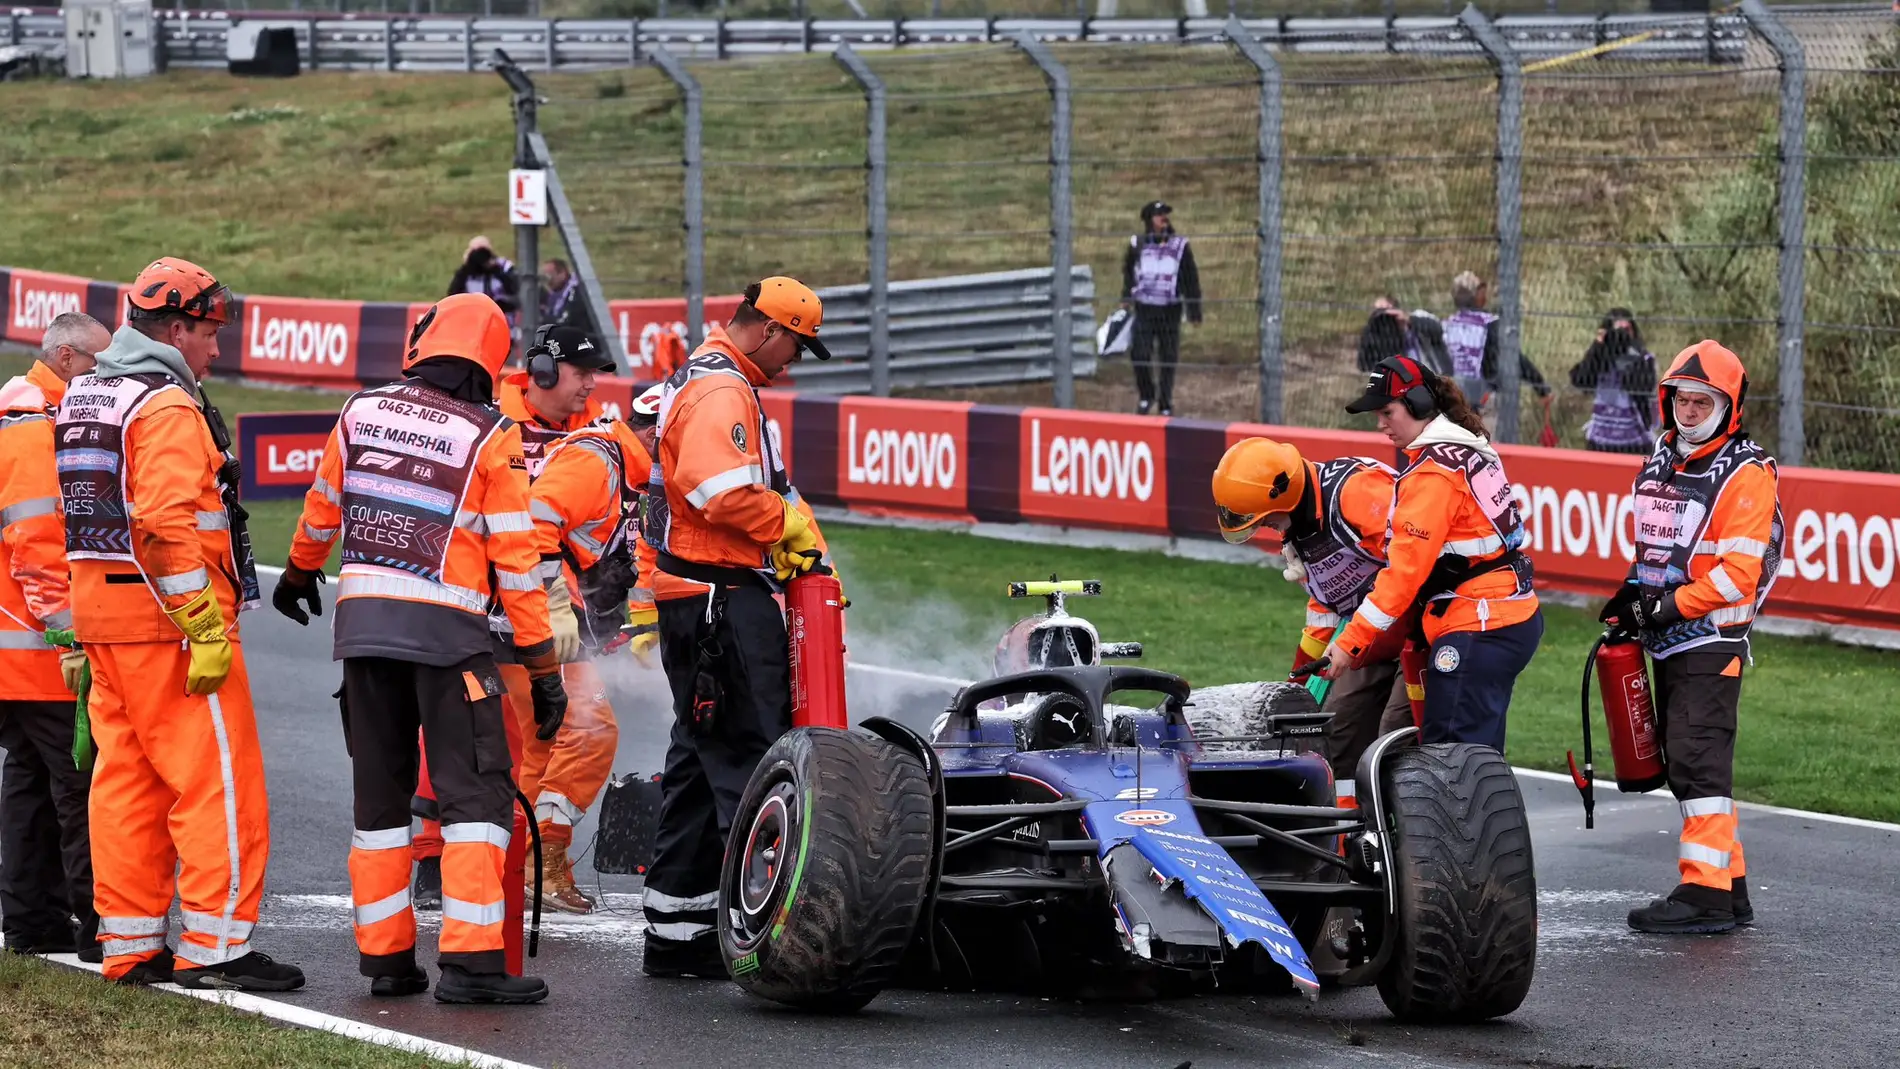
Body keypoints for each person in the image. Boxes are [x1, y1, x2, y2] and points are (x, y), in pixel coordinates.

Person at [272, 292, 566, 1004]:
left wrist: (301, 570)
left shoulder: (360, 412)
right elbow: (519, 564)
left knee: (380, 801)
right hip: (449, 644)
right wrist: (543, 664)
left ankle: (388, 962)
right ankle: (470, 966)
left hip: (364, 637)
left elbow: (322, 503)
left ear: (421, 345)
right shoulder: (490, 435)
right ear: (489, 363)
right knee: (474, 799)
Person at [54, 258, 302, 990]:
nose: (216, 349)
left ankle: (129, 943)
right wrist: (203, 624)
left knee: (125, 781)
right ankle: (217, 944)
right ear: (176, 328)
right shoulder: (163, 406)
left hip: (104, 618)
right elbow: (164, 523)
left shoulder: (86, 394)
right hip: (167, 623)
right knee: (216, 783)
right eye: (208, 333)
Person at [641, 277, 832, 978]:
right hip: (719, 596)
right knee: (758, 760)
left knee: (699, 759)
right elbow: (714, 488)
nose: (795, 363)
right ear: (770, 330)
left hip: (697, 593)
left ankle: (675, 931)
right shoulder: (724, 389)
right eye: (797, 347)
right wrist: (784, 526)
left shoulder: (710, 375)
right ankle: (768, 938)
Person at [1601, 340, 1782, 935]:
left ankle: (1703, 894)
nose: (1688, 411)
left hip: (1710, 637)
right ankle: (1729, 889)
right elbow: (1655, 549)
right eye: (1681, 399)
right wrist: (1634, 596)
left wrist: (1667, 605)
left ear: (1728, 408)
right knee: (1689, 760)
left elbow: (1738, 575)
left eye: (1703, 403)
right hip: (1670, 634)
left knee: (1696, 761)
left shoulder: (1747, 472)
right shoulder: (1660, 456)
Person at [1322, 356, 1543, 753]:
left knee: (1449, 767)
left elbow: (1403, 575)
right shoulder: (1464, 450)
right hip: (1503, 619)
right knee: (1478, 763)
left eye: (1387, 412)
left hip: (1479, 625)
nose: (1380, 424)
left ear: (1421, 404)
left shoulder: (1432, 474)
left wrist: (1349, 642)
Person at [1211, 438, 1404, 808]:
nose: (1266, 527)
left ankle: (1404, 832)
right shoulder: (1299, 527)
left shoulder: (1356, 493)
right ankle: (1346, 838)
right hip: (1373, 638)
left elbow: (1412, 568)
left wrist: (1363, 639)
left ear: (1280, 496)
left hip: (1425, 633)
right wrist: (1296, 684)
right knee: (1338, 733)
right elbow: (1325, 606)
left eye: (1265, 518)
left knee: (1392, 737)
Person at [503, 323, 622, 915]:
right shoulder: (491, 412)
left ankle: (519, 867)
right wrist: (550, 602)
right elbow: (532, 521)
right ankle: (540, 864)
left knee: (543, 744)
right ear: (543, 372)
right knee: (589, 734)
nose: (590, 385)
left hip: (532, 609)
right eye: (581, 372)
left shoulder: (590, 427)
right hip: (513, 609)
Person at [0, 312, 108, 962]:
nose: (107, 376)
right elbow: (39, 546)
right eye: (99, 364)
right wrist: (70, 633)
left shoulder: (27, 418)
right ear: (66, 358)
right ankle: (103, 926)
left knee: (32, 781)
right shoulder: (36, 431)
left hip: (17, 649)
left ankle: (33, 918)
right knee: (80, 782)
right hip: (39, 651)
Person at [1121, 200, 1202, 416]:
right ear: (1149, 220)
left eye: (1166, 214)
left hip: (1170, 309)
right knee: (1139, 353)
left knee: (1168, 356)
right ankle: (1147, 395)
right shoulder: (1137, 244)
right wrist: (1126, 296)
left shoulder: (1180, 246)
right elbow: (1129, 271)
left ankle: (1165, 401)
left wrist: (1194, 310)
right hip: (1145, 309)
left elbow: (1190, 277)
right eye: (1159, 215)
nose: (1164, 218)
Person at [1441, 271, 1550, 430]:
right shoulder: (1489, 324)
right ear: (1477, 295)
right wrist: (1541, 387)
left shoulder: (1448, 324)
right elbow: (1515, 358)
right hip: (1482, 400)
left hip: (1451, 401)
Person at [1569, 308, 1658, 454]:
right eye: (1617, 331)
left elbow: (1641, 386)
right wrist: (1597, 347)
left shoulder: (1644, 358)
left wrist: (1630, 354)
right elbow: (1581, 381)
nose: (1622, 335)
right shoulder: (1599, 357)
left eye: (1626, 330)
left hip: (1636, 442)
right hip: (1600, 441)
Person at [1357, 296, 1450, 377]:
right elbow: (1363, 365)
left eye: (1386, 311)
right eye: (1378, 312)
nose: (1384, 317)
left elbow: (1438, 329)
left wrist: (1409, 320)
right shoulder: (1379, 336)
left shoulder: (1418, 319)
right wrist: (1370, 330)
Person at [448, 236, 520, 324]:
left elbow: (516, 291)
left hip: (502, 321)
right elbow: (453, 296)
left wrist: (497, 271)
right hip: (473, 323)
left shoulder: (504, 267)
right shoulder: (466, 273)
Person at [539, 258, 594, 335]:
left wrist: (540, 319)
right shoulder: (553, 294)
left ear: (562, 274)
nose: (548, 282)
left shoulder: (577, 291)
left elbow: (564, 322)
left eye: (549, 277)